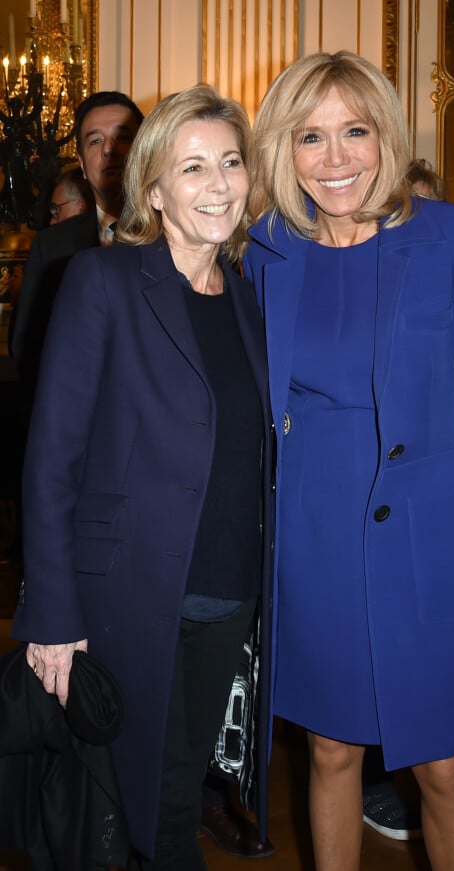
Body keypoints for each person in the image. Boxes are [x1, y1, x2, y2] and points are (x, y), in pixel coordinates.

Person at [244, 50, 454, 871]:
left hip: (433, 545)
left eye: (354, 132)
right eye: (311, 137)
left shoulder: (453, 238)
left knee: (444, 763)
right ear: (283, 151)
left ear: (386, 137)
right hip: (313, 539)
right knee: (329, 750)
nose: (336, 160)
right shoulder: (265, 247)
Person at [10, 83, 273, 870]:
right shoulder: (104, 283)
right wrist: (52, 610)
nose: (219, 184)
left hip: (229, 592)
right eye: (193, 168)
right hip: (131, 592)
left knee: (181, 789)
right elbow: (51, 457)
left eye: (230, 162)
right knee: (138, 805)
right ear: (152, 187)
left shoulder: (250, 301)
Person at [9, 90, 144, 395]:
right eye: (95, 141)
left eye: (122, 137)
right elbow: (27, 349)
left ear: (145, 149)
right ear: (82, 163)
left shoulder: (180, 235)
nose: (109, 150)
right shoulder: (52, 247)